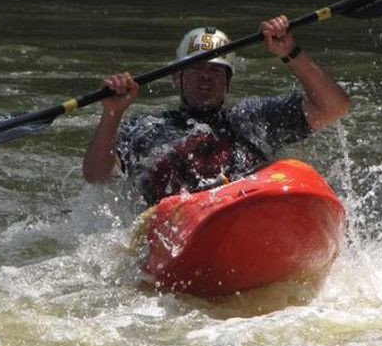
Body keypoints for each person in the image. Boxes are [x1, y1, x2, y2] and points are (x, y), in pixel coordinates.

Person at [82, 16, 350, 206]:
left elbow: (334, 106)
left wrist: (289, 51)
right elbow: (96, 175)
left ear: (228, 82)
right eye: (197, 69)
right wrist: (112, 113)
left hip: (244, 214)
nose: (205, 77)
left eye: (216, 70)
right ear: (177, 78)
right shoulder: (147, 129)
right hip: (176, 232)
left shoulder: (254, 119)